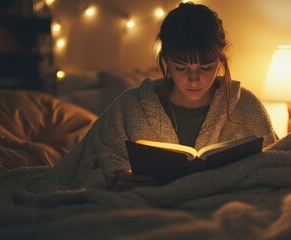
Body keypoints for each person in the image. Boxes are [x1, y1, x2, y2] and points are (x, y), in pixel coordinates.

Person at [114, 2, 279, 190]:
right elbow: (86, 166)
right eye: (181, 68)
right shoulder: (130, 106)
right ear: (165, 60)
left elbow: (274, 165)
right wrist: (116, 178)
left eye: (206, 68)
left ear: (220, 60)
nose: (194, 80)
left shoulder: (247, 106)